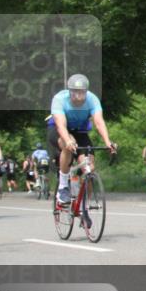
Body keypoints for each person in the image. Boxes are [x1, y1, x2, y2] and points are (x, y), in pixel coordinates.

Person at [48, 74, 116, 219]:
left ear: (86, 91)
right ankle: (63, 186)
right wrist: (68, 140)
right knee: (68, 143)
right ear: (69, 91)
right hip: (59, 130)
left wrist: (107, 141)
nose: (79, 96)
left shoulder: (92, 99)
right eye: (75, 92)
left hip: (80, 131)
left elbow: (99, 122)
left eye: (82, 92)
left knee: (89, 167)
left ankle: (83, 205)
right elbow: (61, 125)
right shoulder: (60, 99)